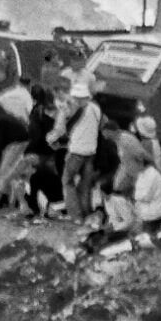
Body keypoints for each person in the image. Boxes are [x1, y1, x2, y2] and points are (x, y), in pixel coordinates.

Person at [53, 83, 101, 222]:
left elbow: (60, 129)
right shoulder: (96, 108)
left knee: (67, 182)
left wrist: (51, 138)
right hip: (91, 152)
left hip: (76, 152)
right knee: (85, 185)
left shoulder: (74, 109)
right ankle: (86, 214)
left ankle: (76, 216)